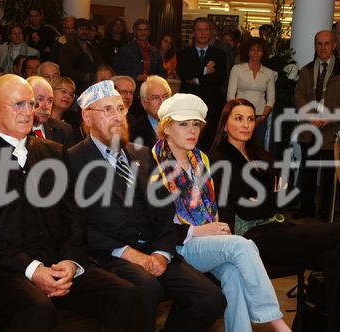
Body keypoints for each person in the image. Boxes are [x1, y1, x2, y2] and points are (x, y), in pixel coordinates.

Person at [0, 73, 142, 332]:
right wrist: (32, 268)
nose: (28, 111)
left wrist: (70, 262)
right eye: (18, 104)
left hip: (58, 265)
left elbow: (74, 215)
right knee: (36, 308)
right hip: (4, 271)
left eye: (31, 104)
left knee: (125, 293)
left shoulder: (53, 152)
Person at [68, 80, 226, 332]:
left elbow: (165, 211)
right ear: (87, 118)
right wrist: (129, 254)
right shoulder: (72, 160)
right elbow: (76, 224)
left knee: (211, 299)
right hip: (111, 255)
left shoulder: (142, 154)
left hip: (154, 251)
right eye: (107, 110)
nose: (118, 116)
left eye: (120, 109)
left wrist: (162, 254)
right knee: (146, 288)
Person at [210, 98, 340, 332]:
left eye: (250, 119)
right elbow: (246, 208)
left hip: (278, 228)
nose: (246, 125)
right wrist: (272, 196)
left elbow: (288, 195)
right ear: (225, 123)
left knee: (334, 257)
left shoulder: (258, 152)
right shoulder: (221, 158)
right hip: (252, 237)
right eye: (238, 118)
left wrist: (269, 197)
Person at [152, 93, 290, 332]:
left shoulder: (200, 159)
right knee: (241, 246)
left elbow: (212, 207)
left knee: (235, 274)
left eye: (196, 124)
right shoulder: (152, 163)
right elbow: (154, 224)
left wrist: (214, 229)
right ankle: (275, 321)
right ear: (166, 128)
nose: (191, 130)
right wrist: (199, 230)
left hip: (205, 242)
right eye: (183, 124)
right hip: (174, 245)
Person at [293, 30, 340, 220]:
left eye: (327, 43)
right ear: (315, 46)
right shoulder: (306, 70)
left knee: (330, 178)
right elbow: (299, 96)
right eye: (319, 44)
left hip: (333, 132)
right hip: (310, 130)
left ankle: (325, 214)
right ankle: (306, 210)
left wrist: (327, 117)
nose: (322, 47)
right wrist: (311, 117)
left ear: (334, 45)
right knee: (308, 175)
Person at [177, 17, 227, 152]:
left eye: (206, 30)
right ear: (194, 32)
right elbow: (184, 72)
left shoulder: (220, 55)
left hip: (211, 107)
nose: (203, 33)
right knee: (186, 142)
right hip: (188, 106)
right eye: (199, 30)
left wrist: (197, 79)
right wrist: (205, 71)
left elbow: (219, 78)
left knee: (209, 145)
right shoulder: (184, 53)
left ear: (210, 33)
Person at [227, 37, 276, 148]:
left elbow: (271, 99)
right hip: (239, 116)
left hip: (260, 117)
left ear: (263, 53)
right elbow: (230, 95)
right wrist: (237, 113)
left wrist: (263, 116)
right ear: (247, 52)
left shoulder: (269, 73)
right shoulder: (237, 69)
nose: (255, 53)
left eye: (259, 50)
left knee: (258, 148)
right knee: (238, 146)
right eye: (252, 50)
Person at [113, 19, 166, 85]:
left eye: (145, 30)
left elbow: (162, 72)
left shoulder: (155, 52)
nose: (142, 33)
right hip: (130, 87)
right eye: (139, 30)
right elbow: (117, 70)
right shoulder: (125, 50)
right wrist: (136, 77)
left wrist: (152, 78)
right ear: (135, 32)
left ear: (149, 32)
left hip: (150, 87)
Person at [27, 76, 75, 148]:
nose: (46, 106)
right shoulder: (17, 129)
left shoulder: (64, 130)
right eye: (40, 99)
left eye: (50, 101)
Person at [60, 18, 103, 94]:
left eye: (86, 29)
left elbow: (100, 64)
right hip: (76, 87)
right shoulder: (68, 47)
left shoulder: (92, 47)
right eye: (81, 29)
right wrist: (85, 77)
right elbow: (66, 70)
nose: (84, 32)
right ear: (75, 31)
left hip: (93, 86)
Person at [129, 75, 171, 148]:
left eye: (165, 96)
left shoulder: (182, 124)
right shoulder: (134, 132)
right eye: (155, 98)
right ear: (144, 103)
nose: (162, 102)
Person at [50, 76, 83, 142]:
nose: (68, 96)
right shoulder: (41, 115)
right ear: (51, 91)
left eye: (71, 94)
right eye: (64, 91)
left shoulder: (74, 121)